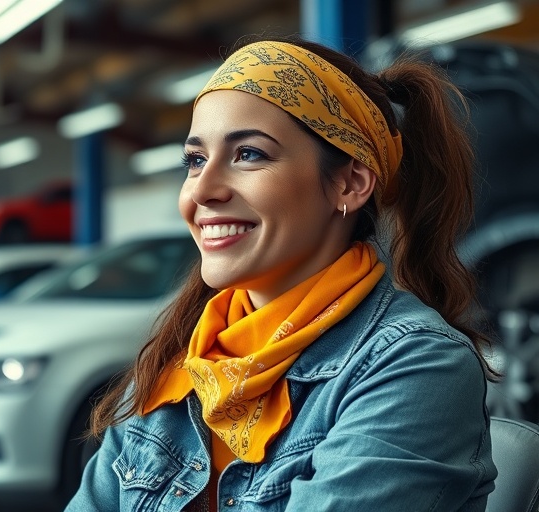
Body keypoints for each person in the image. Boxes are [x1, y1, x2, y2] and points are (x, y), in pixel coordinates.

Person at [66, 36, 497, 511]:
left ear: (350, 183)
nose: (203, 190)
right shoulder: (179, 364)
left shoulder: (416, 365)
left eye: (249, 154)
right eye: (194, 160)